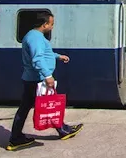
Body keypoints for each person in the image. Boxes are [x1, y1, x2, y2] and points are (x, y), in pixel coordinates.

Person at [6, 11, 83, 151]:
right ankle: (61, 130)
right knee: (48, 105)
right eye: (51, 24)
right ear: (44, 24)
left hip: (32, 79)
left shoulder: (33, 36)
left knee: (38, 106)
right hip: (37, 79)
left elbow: (44, 53)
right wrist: (48, 76)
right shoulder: (36, 38)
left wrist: (58, 56)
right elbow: (37, 58)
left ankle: (18, 137)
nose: (52, 27)